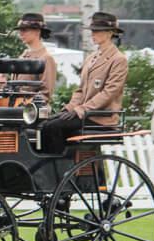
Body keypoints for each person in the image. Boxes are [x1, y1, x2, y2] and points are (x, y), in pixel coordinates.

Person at [41, 12, 128, 153]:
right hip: (86, 114)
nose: (93, 34)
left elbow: (109, 93)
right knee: (46, 124)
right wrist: (69, 108)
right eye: (92, 30)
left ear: (110, 33)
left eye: (97, 31)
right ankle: (59, 165)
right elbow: (80, 90)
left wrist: (80, 110)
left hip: (101, 117)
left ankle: (57, 169)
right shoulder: (91, 58)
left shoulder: (118, 59)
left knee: (54, 127)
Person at [0, 13, 58, 104]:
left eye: (25, 30)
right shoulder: (23, 56)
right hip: (14, 107)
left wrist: (27, 105)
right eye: (20, 30)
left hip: (31, 112)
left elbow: (45, 93)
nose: (21, 33)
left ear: (37, 31)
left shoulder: (46, 58)